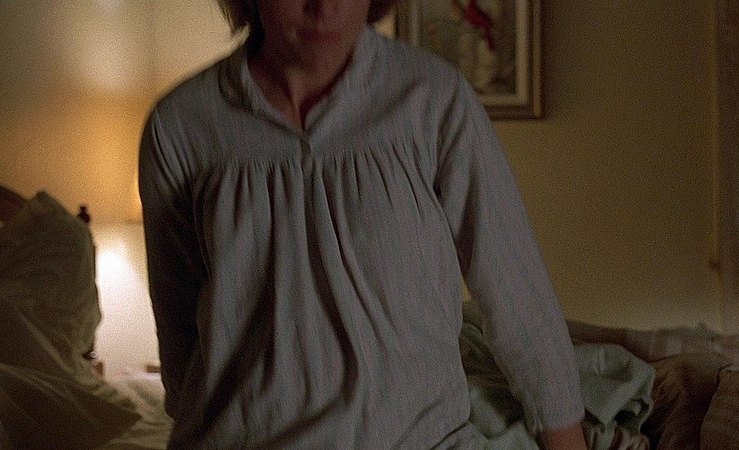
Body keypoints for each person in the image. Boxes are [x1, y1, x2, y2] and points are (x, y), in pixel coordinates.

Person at [138, 0, 586, 448]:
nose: (325, 7)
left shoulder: (431, 99)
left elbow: (517, 294)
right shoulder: (181, 126)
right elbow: (179, 336)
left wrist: (566, 437)